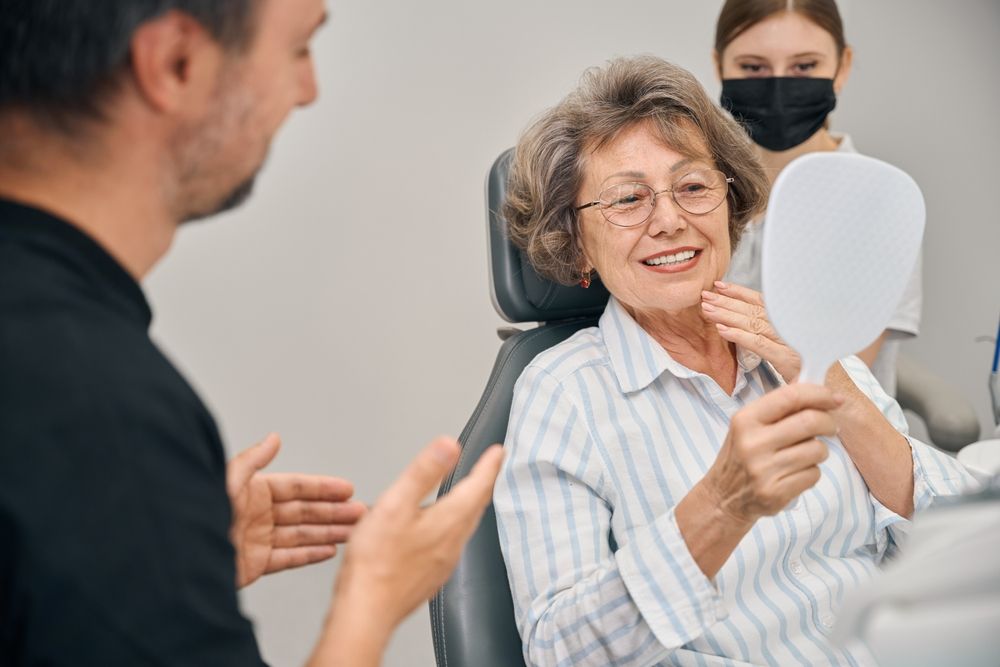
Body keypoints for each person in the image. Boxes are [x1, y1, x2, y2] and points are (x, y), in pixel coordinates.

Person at [0, 1, 503, 666]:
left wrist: (155, 569)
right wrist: (372, 600)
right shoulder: (99, 414)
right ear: (176, 63)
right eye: (298, 49)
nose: (309, 89)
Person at [493, 55, 973, 667]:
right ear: (576, 243)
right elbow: (561, 650)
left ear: (730, 202)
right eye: (627, 200)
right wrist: (720, 506)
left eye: (693, 187)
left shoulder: (796, 334)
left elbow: (962, 542)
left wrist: (840, 392)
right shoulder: (563, 394)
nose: (669, 221)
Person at [715, 0, 921, 396]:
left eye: (804, 66)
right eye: (753, 67)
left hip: (831, 433)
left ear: (842, 67)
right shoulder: (697, 189)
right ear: (719, 65)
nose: (778, 86)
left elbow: (839, 378)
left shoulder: (881, 201)